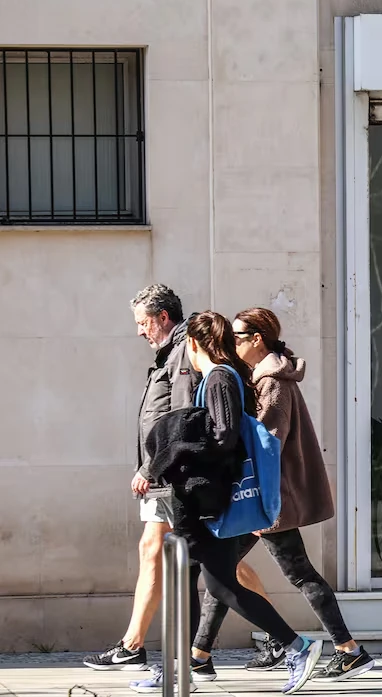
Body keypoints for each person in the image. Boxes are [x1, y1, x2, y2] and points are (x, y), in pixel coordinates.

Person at [132, 311, 324, 694]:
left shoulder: (219, 378)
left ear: (192, 344)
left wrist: (172, 452)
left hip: (207, 499)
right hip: (200, 498)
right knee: (193, 580)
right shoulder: (217, 377)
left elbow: (223, 438)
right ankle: (181, 666)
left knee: (221, 587)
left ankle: (297, 646)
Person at [189, 308, 375, 682]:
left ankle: (349, 650)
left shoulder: (273, 382)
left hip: (270, 499)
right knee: (222, 573)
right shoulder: (261, 378)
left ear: (257, 339)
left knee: (295, 574)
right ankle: (199, 655)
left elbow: (267, 445)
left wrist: (258, 503)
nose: (231, 344)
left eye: (236, 338)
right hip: (266, 498)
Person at [84, 285, 201, 672]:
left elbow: (184, 418)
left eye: (143, 323)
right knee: (215, 558)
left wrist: (152, 468)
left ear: (163, 317)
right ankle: (281, 637)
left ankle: (134, 645)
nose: (139, 331)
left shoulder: (182, 351)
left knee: (162, 551)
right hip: (165, 474)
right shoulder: (172, 351)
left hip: (171, 475)